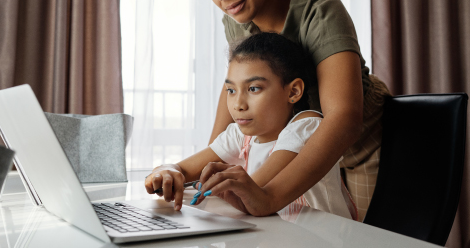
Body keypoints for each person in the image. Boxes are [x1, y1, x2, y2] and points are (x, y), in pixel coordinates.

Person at [182, 0, 391, 220]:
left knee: (363, 237)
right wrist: (208, 167)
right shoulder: (237, 18)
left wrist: (269, 197)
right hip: (295, 140)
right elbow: (235, 88)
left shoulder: (321, 12)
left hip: (359, 141)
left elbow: (344, 118)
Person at [145, 33, 356, 220]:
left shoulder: (307, 126)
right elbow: (183, 168)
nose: (238, 105)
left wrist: (212, 183)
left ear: (293, 92)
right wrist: (167, 171)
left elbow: (254, 192)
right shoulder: (241, 135)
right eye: (231, 90)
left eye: (254, 88)